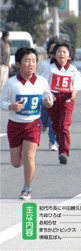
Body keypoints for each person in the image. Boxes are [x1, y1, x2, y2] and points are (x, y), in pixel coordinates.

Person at [0, 47, 53, 200]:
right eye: (27, 61)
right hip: (15, 125)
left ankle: (27, 188)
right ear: (17, 63)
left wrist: (48, 102)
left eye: (34, 61)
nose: (31, 64)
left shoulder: (41, 81)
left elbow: (48, 97)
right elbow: (2, 101)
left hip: (33, 124)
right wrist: (11, 106)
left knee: (29, 157)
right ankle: (23, 157)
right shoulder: (11, 83)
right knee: (16, 163)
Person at [42, 41, 81, 164]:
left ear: (69, 56)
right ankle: (59, 138)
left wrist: (75, 90)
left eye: (64, 52)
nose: (61, 54)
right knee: (55, 125)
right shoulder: (50, 69)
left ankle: (63, 152)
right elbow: (43, 83)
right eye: (59, 52)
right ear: (54, 55)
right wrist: (48, 95)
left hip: (67, 99)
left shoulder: (73, 70)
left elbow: (78, 82)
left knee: (64, 124)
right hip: (53, 100)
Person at [36, 36, 60, 151]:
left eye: (57, 51)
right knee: (45, 119)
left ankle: (52, 141)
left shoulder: (64, 66)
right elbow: (37, 78)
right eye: (52, 52)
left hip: (58, 98)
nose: (54, 54)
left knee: (53, 120)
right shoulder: (44, 65)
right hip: (45, 97)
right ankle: (44, 124)